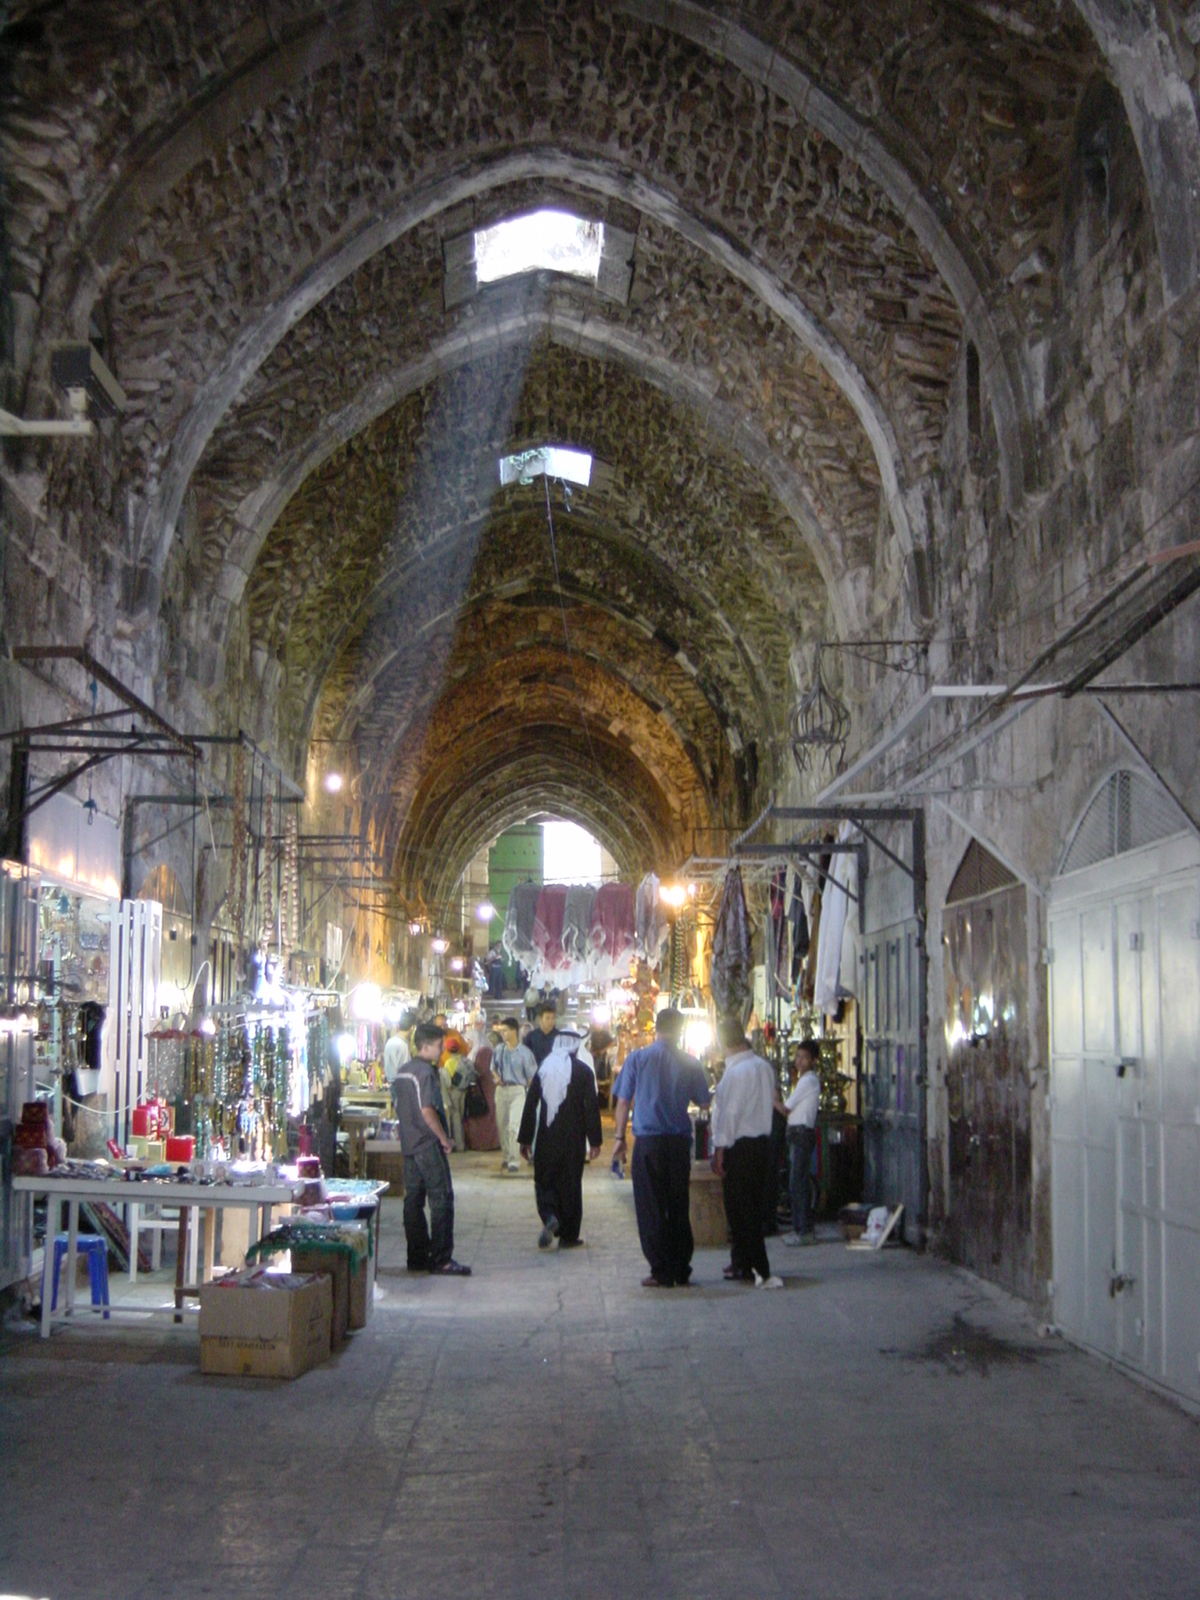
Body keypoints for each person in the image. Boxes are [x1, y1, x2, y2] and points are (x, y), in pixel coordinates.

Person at [612, 1007, 711, 1288]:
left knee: (651, 1206)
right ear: (681, 1031)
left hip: (649, 1144)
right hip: (679, 1144)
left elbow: (622, 1102)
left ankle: (661, 1270)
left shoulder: (638, 1059)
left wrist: (619, 1139)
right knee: (678, 1204)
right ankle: (681, 1267)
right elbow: (704, 1102)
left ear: (656, 1028)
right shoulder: (691, 1063)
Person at [391, 1021, 471, 1276]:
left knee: (413, 1200)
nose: (441, 1051)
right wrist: (444, 1139)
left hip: (409, 1145)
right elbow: (427, 1111)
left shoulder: (403, 1072)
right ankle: (441, 1258)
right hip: (426, 1144)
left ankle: (416, 1256)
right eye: (438, 1046)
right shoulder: (425, 1073)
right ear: (425, 1046)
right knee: (441, 1197)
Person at [711, 1016, 782, 1289]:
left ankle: (758, 1268)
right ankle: (741, 1262)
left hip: (740, 1147)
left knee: (742, 1210)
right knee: (749, 1205)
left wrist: (720, 1149)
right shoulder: (763, 1067)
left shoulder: (738, 1073)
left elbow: (730, 1115)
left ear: (721, 1041)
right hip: (761, 1145)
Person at [518, 1023, 602, 1249]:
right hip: (574, 1138)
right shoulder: (584, 1072)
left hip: (547, 1137)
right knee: (571, 1184)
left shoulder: (544, 1068)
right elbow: (591, 1109)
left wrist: (525, 1139)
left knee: (545, 1179)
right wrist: (595, 1141)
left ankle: (549, 1216)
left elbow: (530, 1104)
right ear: (575, 1046)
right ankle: (569, 1235)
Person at [782, 1039, 821, 1245]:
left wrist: (770, 1097)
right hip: (797, 1134)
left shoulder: (808, 1081)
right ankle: (799, 1228)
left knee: (798, 1183)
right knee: (797, 1182)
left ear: (813, 1060)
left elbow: (786, 1108)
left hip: (801, 1134)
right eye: (798, 1056)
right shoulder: (804, 1080)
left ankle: (804, 1230)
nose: (800, 1061)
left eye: (805, 1058)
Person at [491, 1016, 537, 1173]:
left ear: (514, 1031)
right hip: (501, 1091)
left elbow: (531, 1077)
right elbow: (493, 1067)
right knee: (502, 1125)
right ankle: (506, 1156)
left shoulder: (525, 1053)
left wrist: (531, 1096)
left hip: (518, 1090)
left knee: (514, 1126)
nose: (503, 1034)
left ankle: (514, 1161)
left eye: (505, 1031)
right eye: (501, 1031)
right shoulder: (499, 1050)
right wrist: (497, 1078)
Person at [439, 1039, 472, 1153]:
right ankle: (461, 1144)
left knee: (455, 1118)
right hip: (464, 1091)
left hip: (454, 1092)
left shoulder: (448, 1063)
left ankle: (458, 1145)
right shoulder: (465, 1060)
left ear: (447, 1050)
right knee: (460, 1118)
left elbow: (448, 1082)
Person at [526, 997, 560, 1066]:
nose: (550, 1021)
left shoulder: (559, 1037)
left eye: (553, 1018)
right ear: (540, 1019)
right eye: (547, 1018)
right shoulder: (531, 1036)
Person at [382, 1016, 411, 1084]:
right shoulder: (403, 1045)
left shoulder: (390, 1042)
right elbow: (404, 1070)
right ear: (412, 1027)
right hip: (400, 1084)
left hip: (391, 1082)